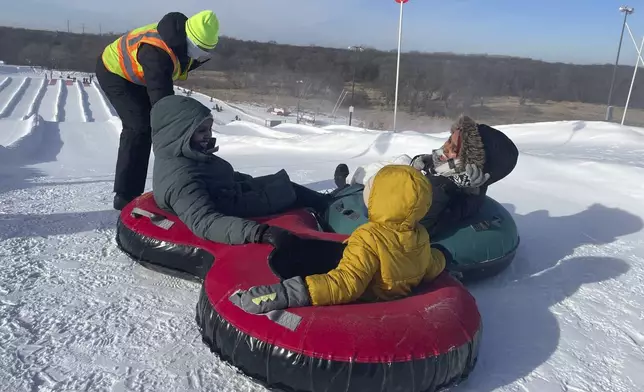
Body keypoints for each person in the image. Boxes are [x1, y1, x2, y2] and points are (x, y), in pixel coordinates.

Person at [236, 165, 449, 314]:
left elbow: (347, 284)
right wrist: (443, 257)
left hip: (367, 304)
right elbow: (429, 265)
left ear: (381, 200)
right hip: (394, 300)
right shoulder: (420, 235)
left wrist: (287, 292)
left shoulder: (369, 238)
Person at [150, 94, 332, 247]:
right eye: (201, 131)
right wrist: (260, 232)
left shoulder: (187, 154)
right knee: (289, 192)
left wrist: (251, 181)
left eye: (209, 129)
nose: (208, 135)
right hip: (234, 206)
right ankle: (336, 221)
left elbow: (218, 176)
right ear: (178, 134)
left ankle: (334, 203)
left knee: (283, 184)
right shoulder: (181, 179)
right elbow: (205, 222)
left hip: (230, 193)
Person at [96, 10, 220, 211]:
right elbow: (163, 106)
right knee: (139, 128)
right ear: (188, 39)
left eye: (205, 51)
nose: (199, 56)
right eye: (198, 49)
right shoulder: (156, 53)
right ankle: (125, 196)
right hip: (114, 72)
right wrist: (178, 140)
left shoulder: (183, 45)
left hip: (141, 76)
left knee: (152, 126)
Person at [335, 115, 518, 236]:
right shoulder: (451, 170)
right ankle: (351, 181)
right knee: (403, 160)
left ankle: (347, 185)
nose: (445, 148)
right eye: (448, 140)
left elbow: (415, 224)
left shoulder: (446, 192)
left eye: (453, 148)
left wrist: (440, 184)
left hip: (388, 202)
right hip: (415, 182)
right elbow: (437, 165)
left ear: (471, 166)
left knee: (394, 169)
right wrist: (423, 161)